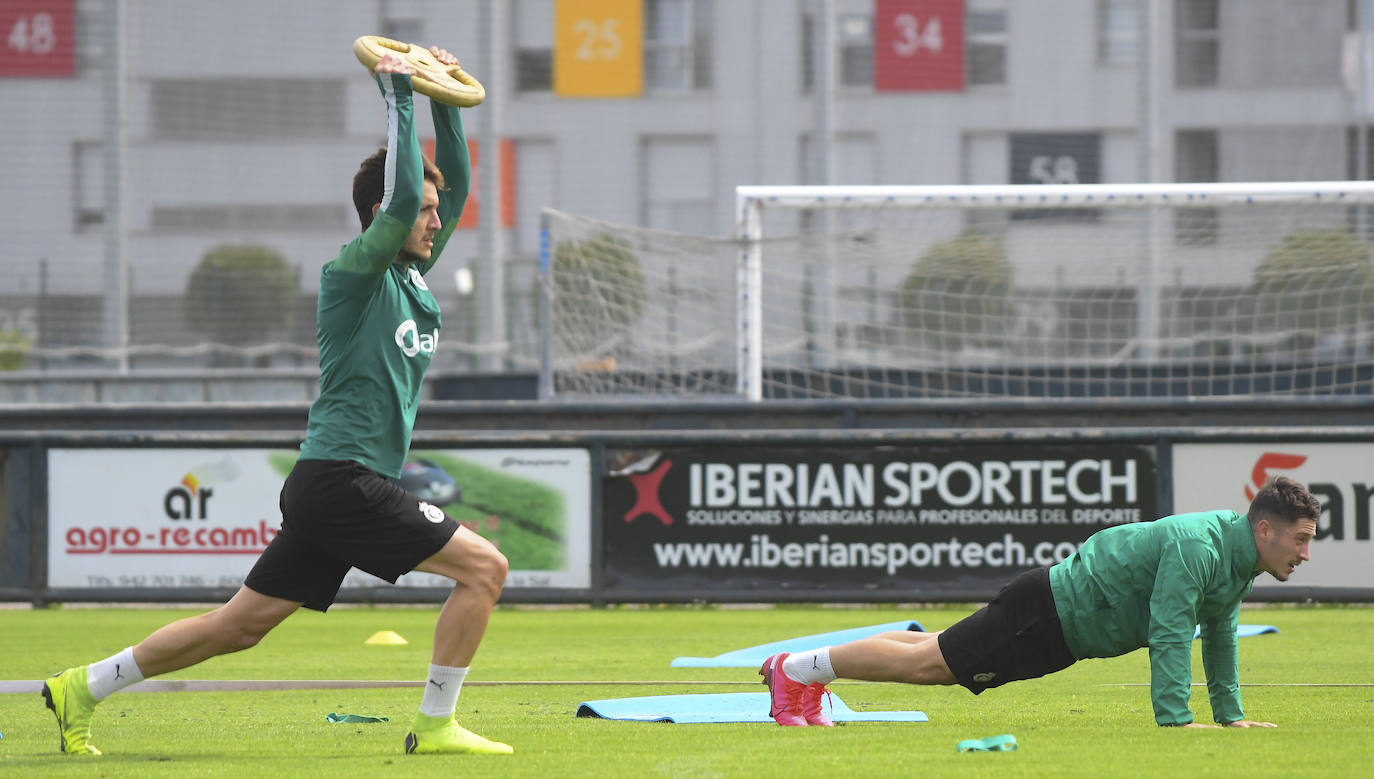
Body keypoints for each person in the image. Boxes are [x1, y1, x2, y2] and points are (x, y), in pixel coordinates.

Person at [42, 49, 513, 757]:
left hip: (337, 486)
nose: (434, 219)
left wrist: (444, 96)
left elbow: (460, 180)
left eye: (436, 211)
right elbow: (404, 192)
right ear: (385, 211)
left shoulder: (415, 276)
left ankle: (82, 686)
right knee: (487, 568)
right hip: (342, 480)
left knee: (239, 625)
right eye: (421, 208)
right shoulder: (355, 273)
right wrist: (400, 96)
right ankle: (438, 723)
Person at [759, 475, 1320, 729]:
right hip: (1050, 614)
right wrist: (1177, 722)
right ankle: (793, 671)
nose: (1305, 554)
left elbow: (1218, 636)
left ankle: (805, 677)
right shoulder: (1200, 545)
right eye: (1300, 540)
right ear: (1266, 528)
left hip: (1055, 618)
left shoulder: (1239, 563)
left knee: (931, 648)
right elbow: (1171, 632)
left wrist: (1232, 718)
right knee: (932, 666)